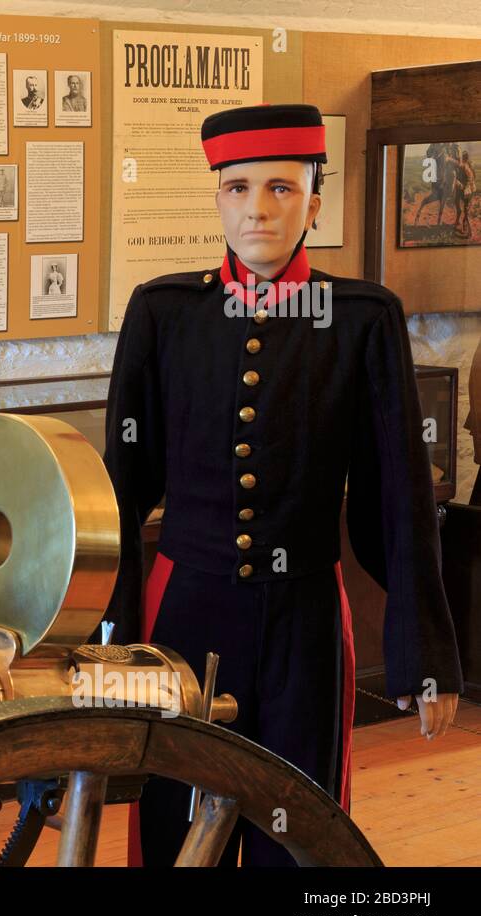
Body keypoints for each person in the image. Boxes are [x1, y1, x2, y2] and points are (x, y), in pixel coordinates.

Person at [103, 103, 462, 867]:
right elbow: (121, 492)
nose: (257, 209)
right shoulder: (166, 313)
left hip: (303, 618)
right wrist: (112, 639)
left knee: (298, 829)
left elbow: (398, 495)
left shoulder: (362, 319)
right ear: (216, 197)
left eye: (280, 188)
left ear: (315, 203)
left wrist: (423, 654)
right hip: (184, 614)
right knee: (175, 826)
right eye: (237, 188)